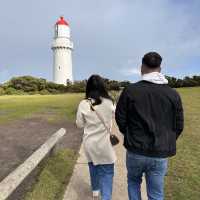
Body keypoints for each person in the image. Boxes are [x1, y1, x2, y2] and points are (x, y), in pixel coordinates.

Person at [115, 52, 184, 200]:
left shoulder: (130, 91)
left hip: (135, 150)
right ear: (160, 68)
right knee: (156, 193)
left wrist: (129, 134)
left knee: (133, 182)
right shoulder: (172, 94)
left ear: (142, 67)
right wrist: (166, 140)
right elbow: (178, 125)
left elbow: (120, 119)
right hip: (159, 151)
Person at [76, 75, 116, 200]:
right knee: (107, 172)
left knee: (93, 167)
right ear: (103, 87)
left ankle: (95, 191)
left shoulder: (83, 104)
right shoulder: (110, 102)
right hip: (105, 144)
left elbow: (79, 125)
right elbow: (114, 116)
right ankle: (106, 197)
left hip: (89, 143)